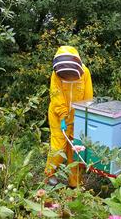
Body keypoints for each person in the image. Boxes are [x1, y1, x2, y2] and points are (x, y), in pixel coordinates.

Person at [45, 46, 93, 187]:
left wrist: (85, 116)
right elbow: (56, 96)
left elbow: (88, 97)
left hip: (77, 117)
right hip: (58, 115)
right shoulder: (55, 75)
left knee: (76, 148)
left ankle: (75, 182)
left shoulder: (85, 73)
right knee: (58, 147)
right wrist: (62, 117)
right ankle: (49, 175)